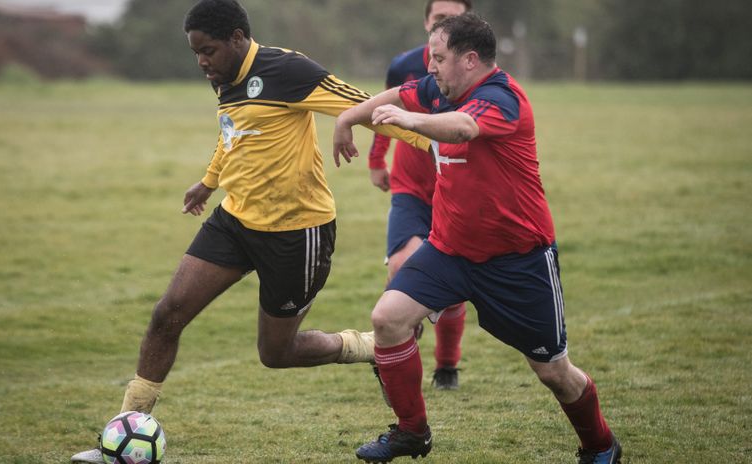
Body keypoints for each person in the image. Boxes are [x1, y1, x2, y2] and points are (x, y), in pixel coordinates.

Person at [70, 0, 432, 462]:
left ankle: (369, 348)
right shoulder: (225, 78)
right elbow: (232, 133)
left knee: (276, 353)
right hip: (236, 220)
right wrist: (209, 180)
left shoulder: (287, 69)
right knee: (168, 315)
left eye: (209, 50)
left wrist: (436, 143)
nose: (202, 61)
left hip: (296, 233)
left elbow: (364, 105)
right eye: (196, 52)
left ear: (238, 39)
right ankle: (118, 438)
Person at [333, 13, 622, 464]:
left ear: (470, 60)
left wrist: (409, 120)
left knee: (553, 372)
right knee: (388, 319)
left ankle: (600, 445)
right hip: (449, 249)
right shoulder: (441, 87)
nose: (430, 67)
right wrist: (347, 119)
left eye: (439, 58)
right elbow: (399, 93)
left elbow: (463, 128)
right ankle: (413, 433)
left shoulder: (502, 98)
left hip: (517, 259)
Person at [368, 0, 472, 391]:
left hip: (457, 190)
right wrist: (378, 159)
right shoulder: (404, 66)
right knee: (400, 266)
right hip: (411, 186)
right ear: (427, 22)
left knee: (452, 282)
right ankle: (394, 362)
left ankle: (447, 365)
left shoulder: (478, 75)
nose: (444, 23)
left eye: (454, 18)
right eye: (438, 18)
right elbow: (385, 110)